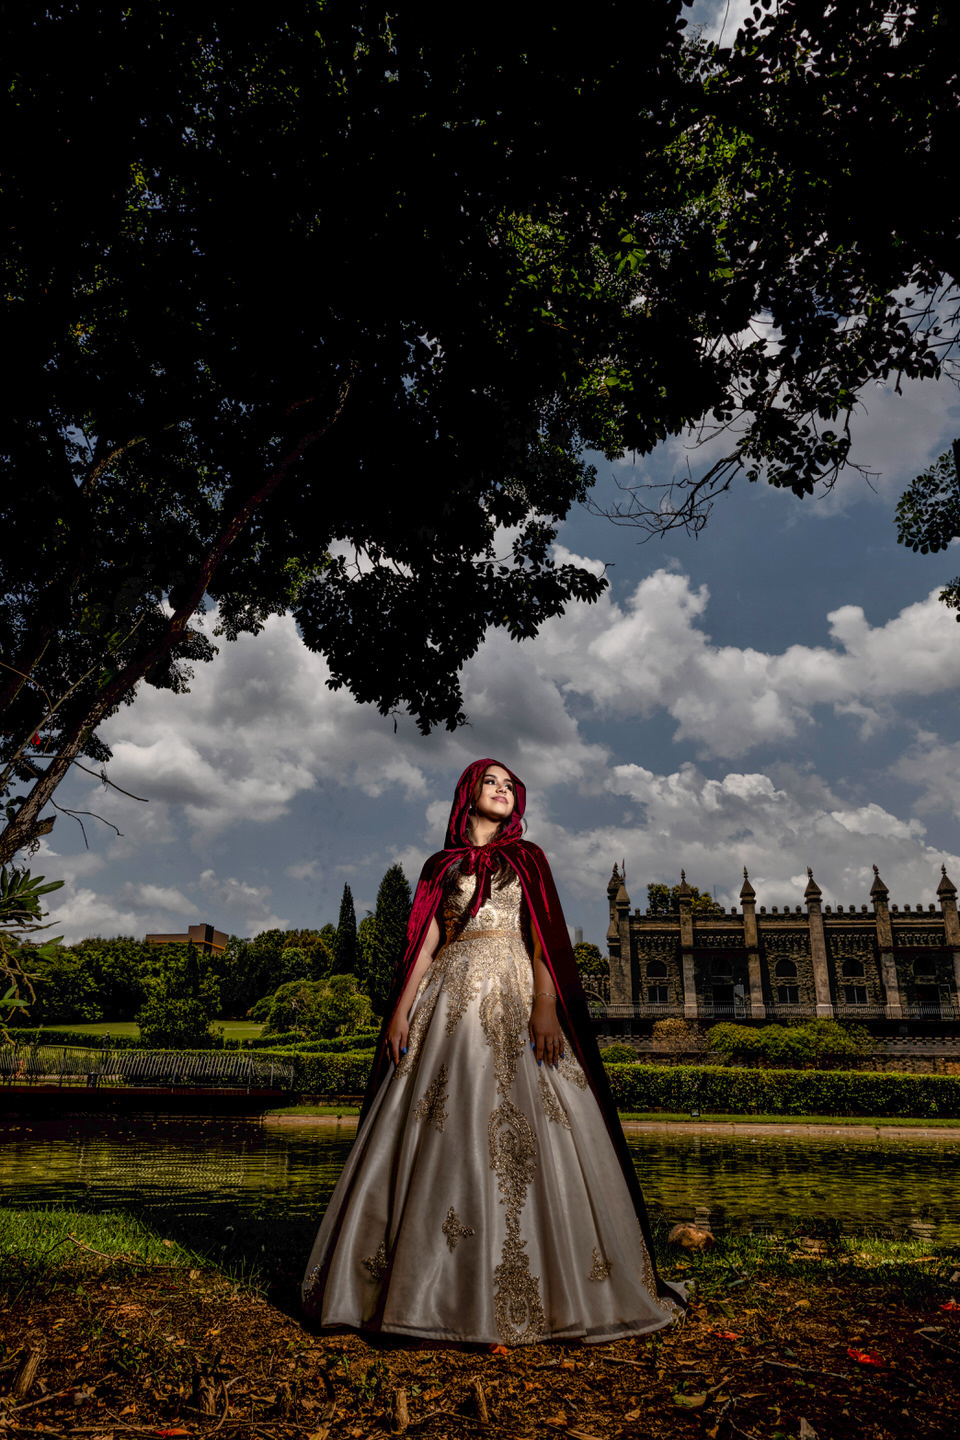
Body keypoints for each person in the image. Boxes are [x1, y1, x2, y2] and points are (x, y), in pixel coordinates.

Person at [302, 758, 684, 1345]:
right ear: (467, 794)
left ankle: (558, 1290)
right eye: (492, 781)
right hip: (448, 997)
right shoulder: (441, 867)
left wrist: (546, 1005)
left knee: (532, 1122)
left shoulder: (527, 860)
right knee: (442, 1123)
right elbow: (427, 942)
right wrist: (402, 1011)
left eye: (511, 785)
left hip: (514, 988)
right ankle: (420, 1293)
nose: (504, 790)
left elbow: (543, 939)